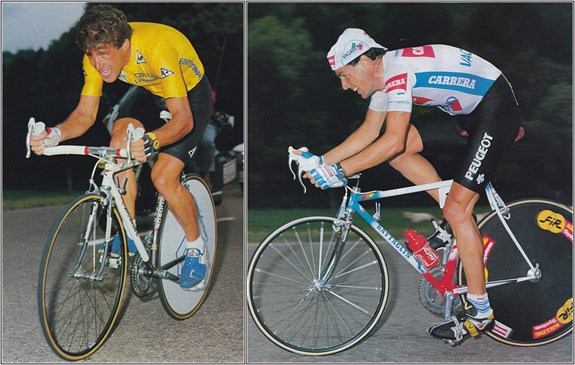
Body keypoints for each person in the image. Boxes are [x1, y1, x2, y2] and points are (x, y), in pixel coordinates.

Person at [300, 28, 523, 342]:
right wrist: (320, 163)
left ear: (364, 61)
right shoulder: (384, 77)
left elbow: (390, 141)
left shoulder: (398, 73)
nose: (344, 85)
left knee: (456, 208)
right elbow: (368, 132)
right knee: (403, 156)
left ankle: (480, 311)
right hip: (466, 112)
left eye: (345, 75)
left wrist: (339, 170)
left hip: (494, 109)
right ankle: (452, 214)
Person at [29, 5, 212, 291]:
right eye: (91, 55)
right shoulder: (94, 56)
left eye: (103, 54)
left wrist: (152, 141)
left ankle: (196, 247)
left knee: (163, 177)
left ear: (124, 45)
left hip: (188, 96)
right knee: (118, 147)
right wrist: (54, 134)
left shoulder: (157, 49)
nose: (98, 64)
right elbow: (85, 115)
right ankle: (127, 233)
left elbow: (184, 119)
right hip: (149, 91)